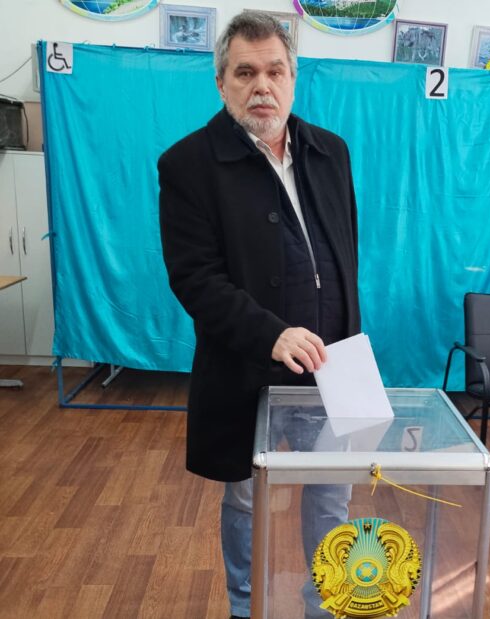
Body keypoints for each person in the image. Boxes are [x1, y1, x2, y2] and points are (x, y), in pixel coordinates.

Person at [157, 10, 361, 619]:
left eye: (275, 71)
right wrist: (272, 334)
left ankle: (327, 603)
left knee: (333, 497)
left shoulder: (331, 151)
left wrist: (350, 341)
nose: (262, 86)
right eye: (245, 73)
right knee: (246, 500)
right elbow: (195, 279)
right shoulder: (187, 164)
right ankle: (246, 607)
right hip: (246, 368)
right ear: (222, 83)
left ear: (293, 79)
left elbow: (344, 256)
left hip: (334, 365)